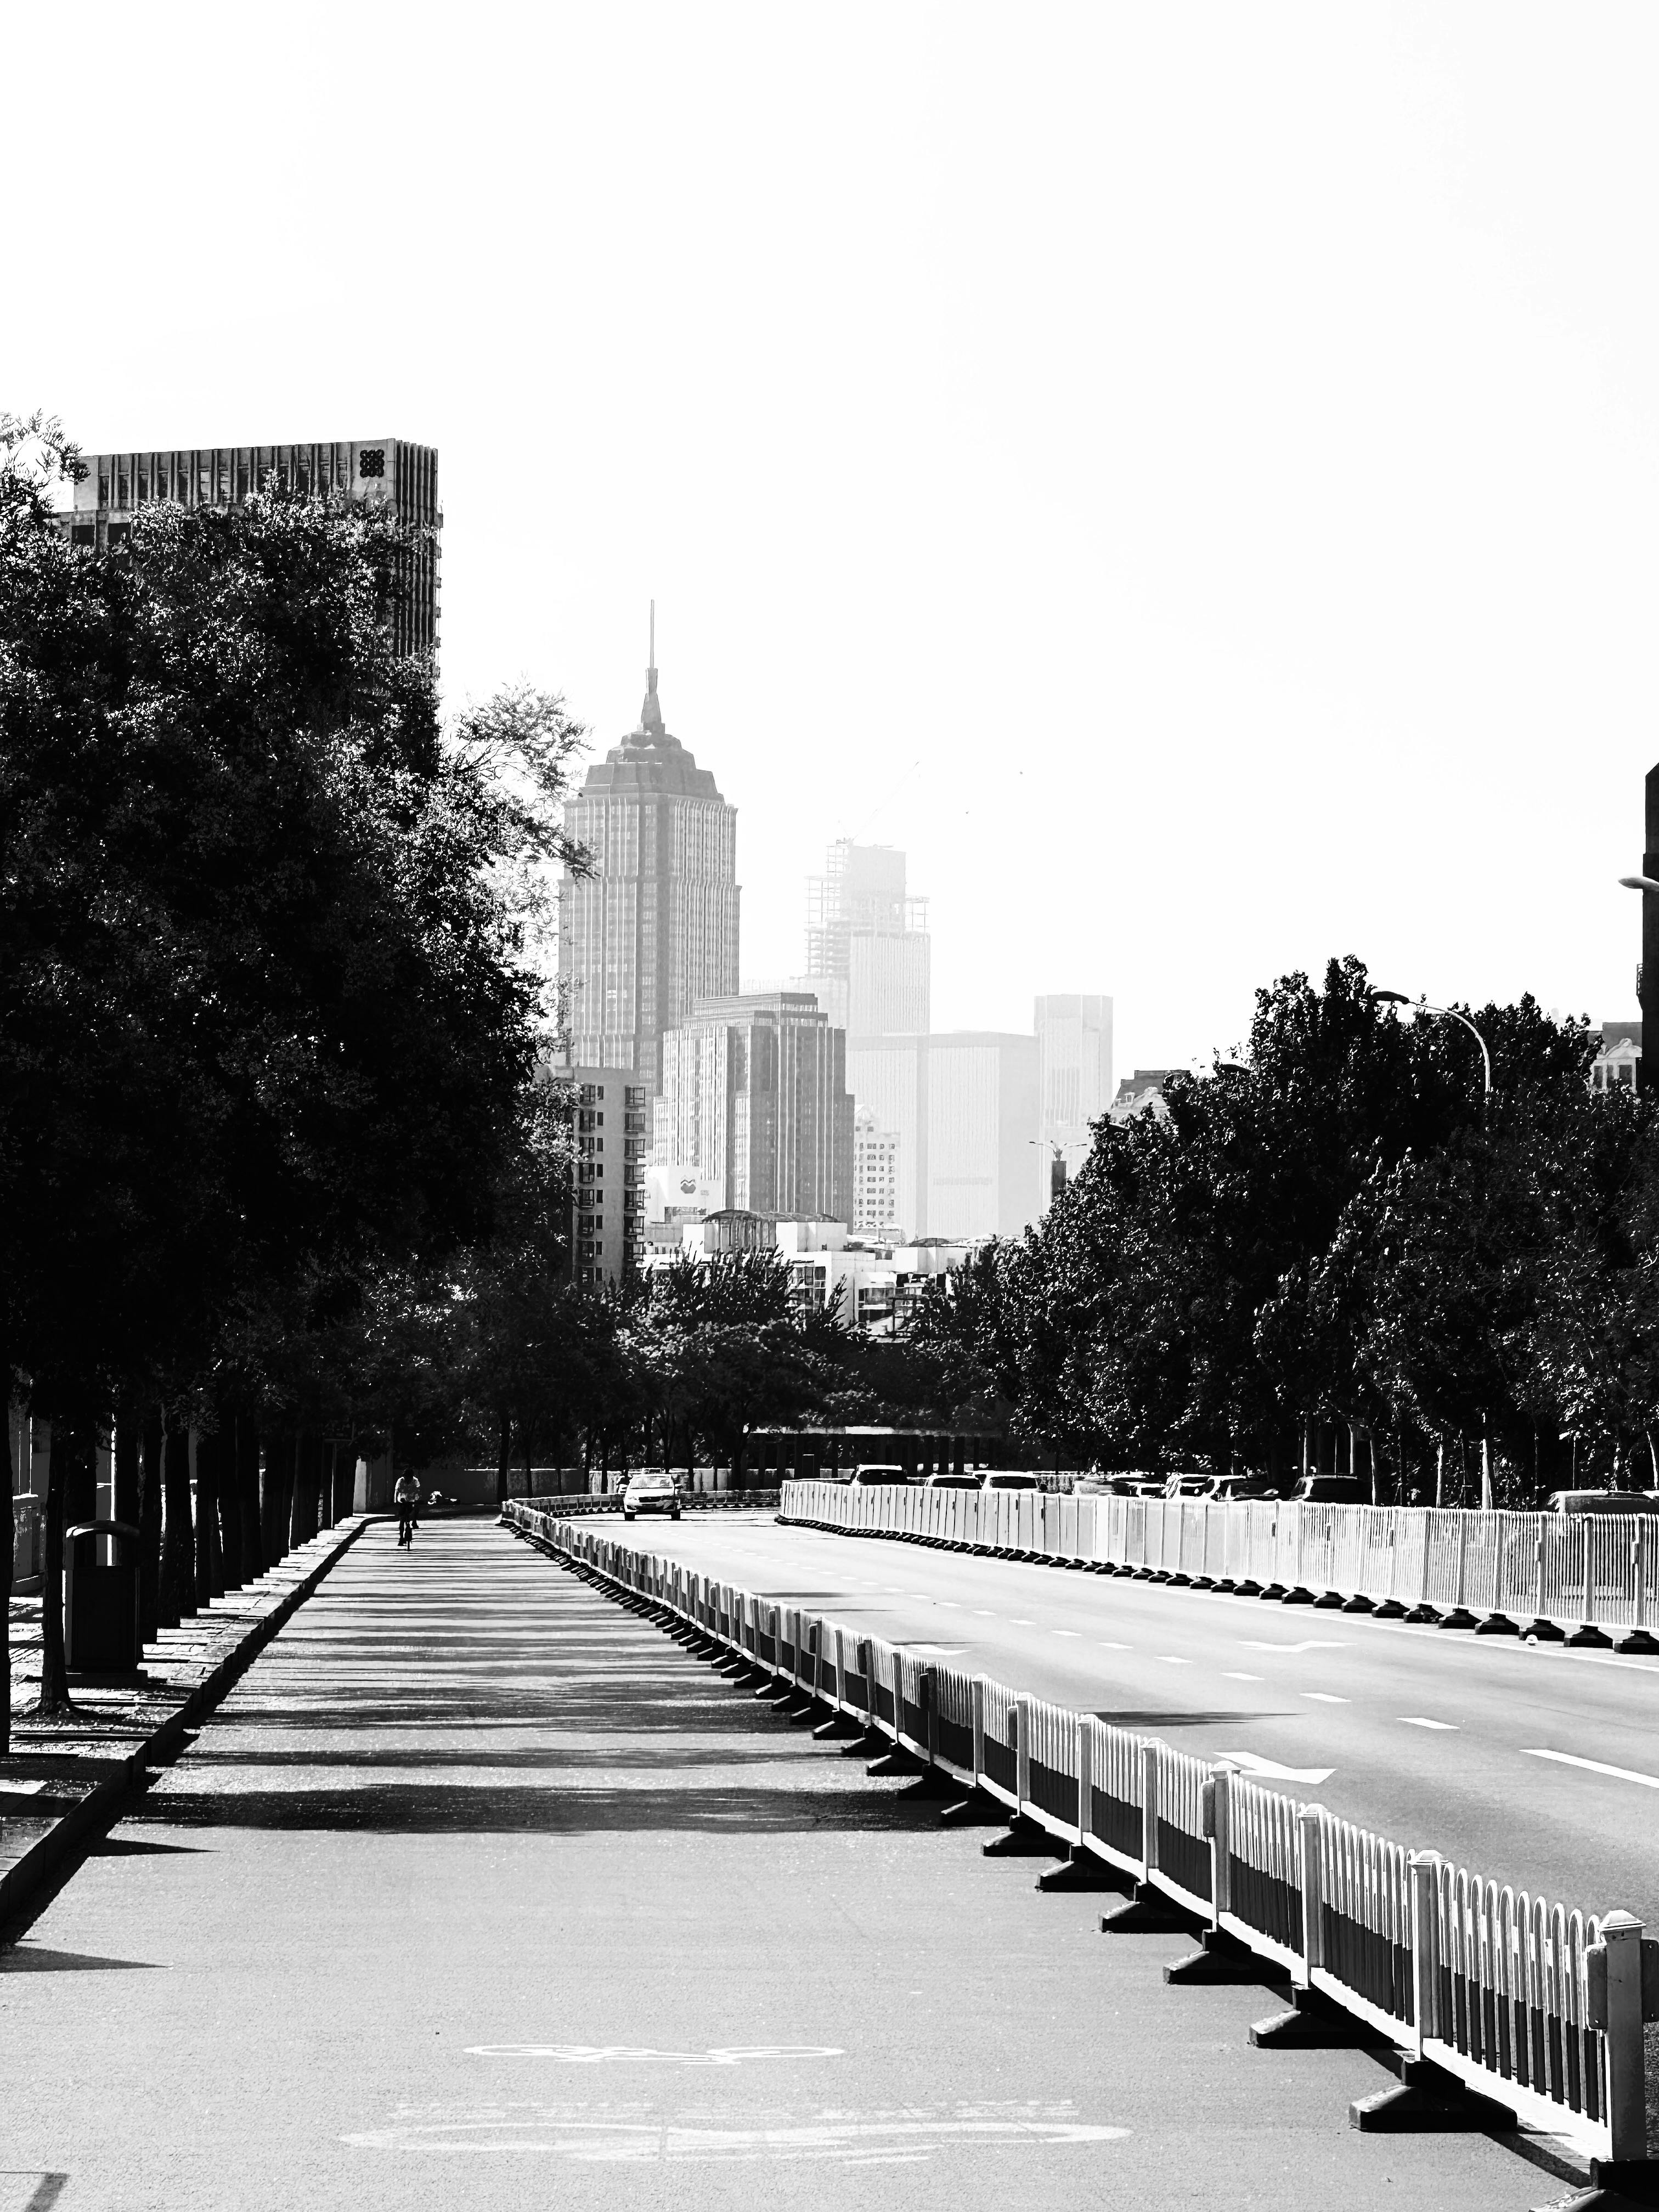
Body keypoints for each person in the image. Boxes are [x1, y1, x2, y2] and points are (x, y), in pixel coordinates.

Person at [393, 1466, 421, 1548]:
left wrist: (417, 1499)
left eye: (410, 1478)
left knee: (416, 1508)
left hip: (411, 1500)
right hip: (402, 1501)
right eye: (407, 1478)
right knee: (402, 1520)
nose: (408, 1480)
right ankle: (401, 1538)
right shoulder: (400, 1481)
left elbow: (418, 1491)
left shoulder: (415, 1481)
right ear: (404, 1477)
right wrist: (396, 1502)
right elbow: (397, 1491)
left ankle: (414, 1522)